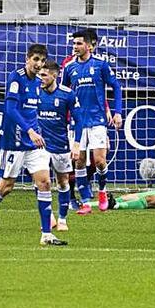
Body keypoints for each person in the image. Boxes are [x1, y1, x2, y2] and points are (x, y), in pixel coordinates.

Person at [0, 44, 67, 246]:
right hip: (13, 141)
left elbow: (32, 111)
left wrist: (37, 130)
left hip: (33, 143)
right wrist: (29, 130)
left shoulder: (38, 83)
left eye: (42, 60)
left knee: (45, 183)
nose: (39, 64)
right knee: (6, 187)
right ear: (27, 59)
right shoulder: (16, 78)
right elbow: (10, 109)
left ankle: (47, 234)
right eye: (36, 59)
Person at [62, 29, 123, 214]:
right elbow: (64, 92)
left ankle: (103, 190)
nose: (75, 47)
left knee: (99, 161)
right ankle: (86, 201)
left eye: (79, 43)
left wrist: (117, 112)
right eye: (74, 44)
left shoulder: (101, 65)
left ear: (89, 46)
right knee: (79, 161)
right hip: (77, 122)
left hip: (97, 120)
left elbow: (116, 86)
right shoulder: (69, 67)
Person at [37, 60, 77, 231]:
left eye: (44, 75)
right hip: (40, 147)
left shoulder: (67, 94)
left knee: (63, 182)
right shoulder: (35, 92)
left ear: (55, 75)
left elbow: (79, 119)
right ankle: (49, 218)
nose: (41, 78)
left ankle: (62, 219)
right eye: (39, 75)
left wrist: (76, 143)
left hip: (61, 145)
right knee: (40, 182)